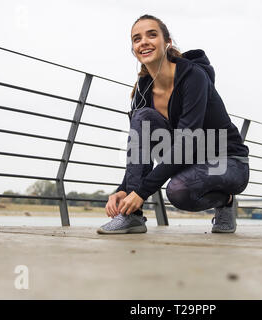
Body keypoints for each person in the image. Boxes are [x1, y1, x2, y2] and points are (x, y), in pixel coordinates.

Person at [97, 14, 249, 234]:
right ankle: (132, 218)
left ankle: (225, 201)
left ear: (166, 41)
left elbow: (186, 143)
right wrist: (124, 190)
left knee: (178, 191)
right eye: (137, 39)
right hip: (192, 162)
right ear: (133, 49)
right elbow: (140, 150)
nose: (144, 42)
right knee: (141, 117)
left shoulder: (193, 76)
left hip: (228, 162)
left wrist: (140, 193)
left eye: (152, 35)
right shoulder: (143, 91)